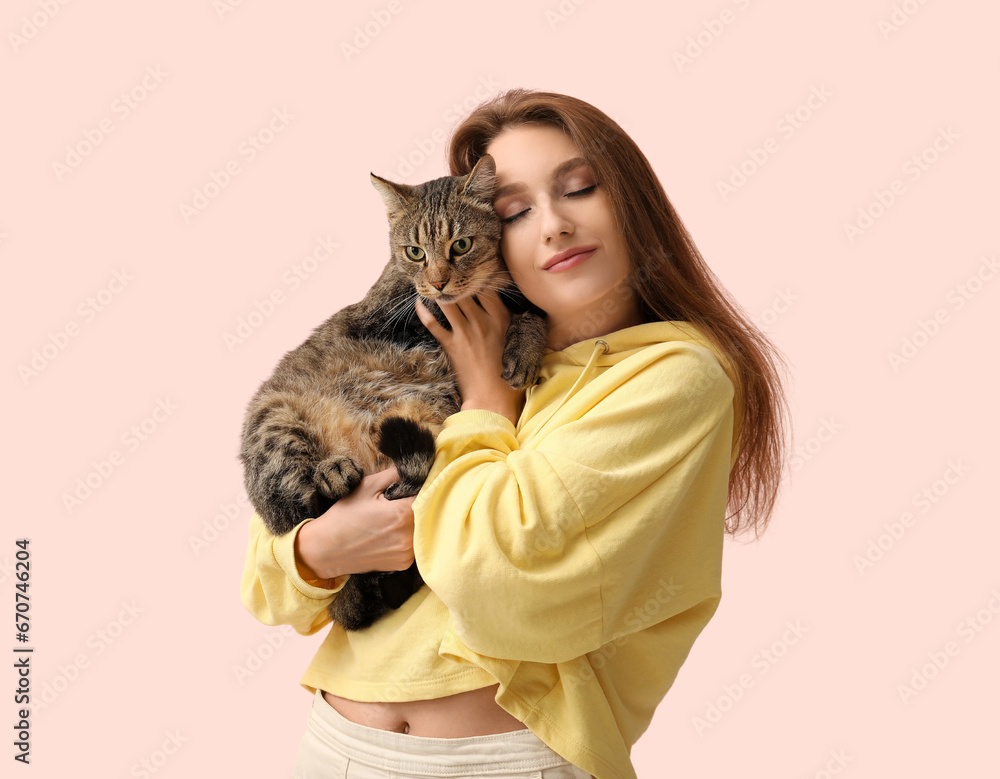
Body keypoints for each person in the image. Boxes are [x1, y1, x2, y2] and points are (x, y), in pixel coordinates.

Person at [241, 88, 791, 779]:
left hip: (502, 762)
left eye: (580, 188)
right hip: (335, 746)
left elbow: (498, 590)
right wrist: (319, 548)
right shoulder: (449, 352)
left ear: (633, 202)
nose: (554, 225)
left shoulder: (673, 377)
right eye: (517, 211)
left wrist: (484, 401)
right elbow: (267, 588)